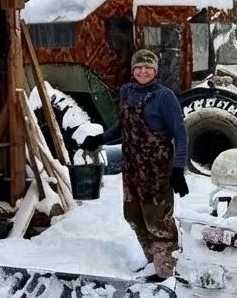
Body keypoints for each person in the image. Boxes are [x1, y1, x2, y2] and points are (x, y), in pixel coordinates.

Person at [81, 49, 189, 282]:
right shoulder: (127, 92)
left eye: (148, 67)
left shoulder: (165, 96)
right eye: (138, 67)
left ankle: (167, 272)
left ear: (155, 70)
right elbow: (123, 127)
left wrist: (178, 169)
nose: (142, 71)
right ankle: (153, 263)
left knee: (157, 220)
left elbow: (180, 134)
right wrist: (100, 139)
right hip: (132, 167)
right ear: (133, 70)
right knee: (134, 216)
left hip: (157, 169)